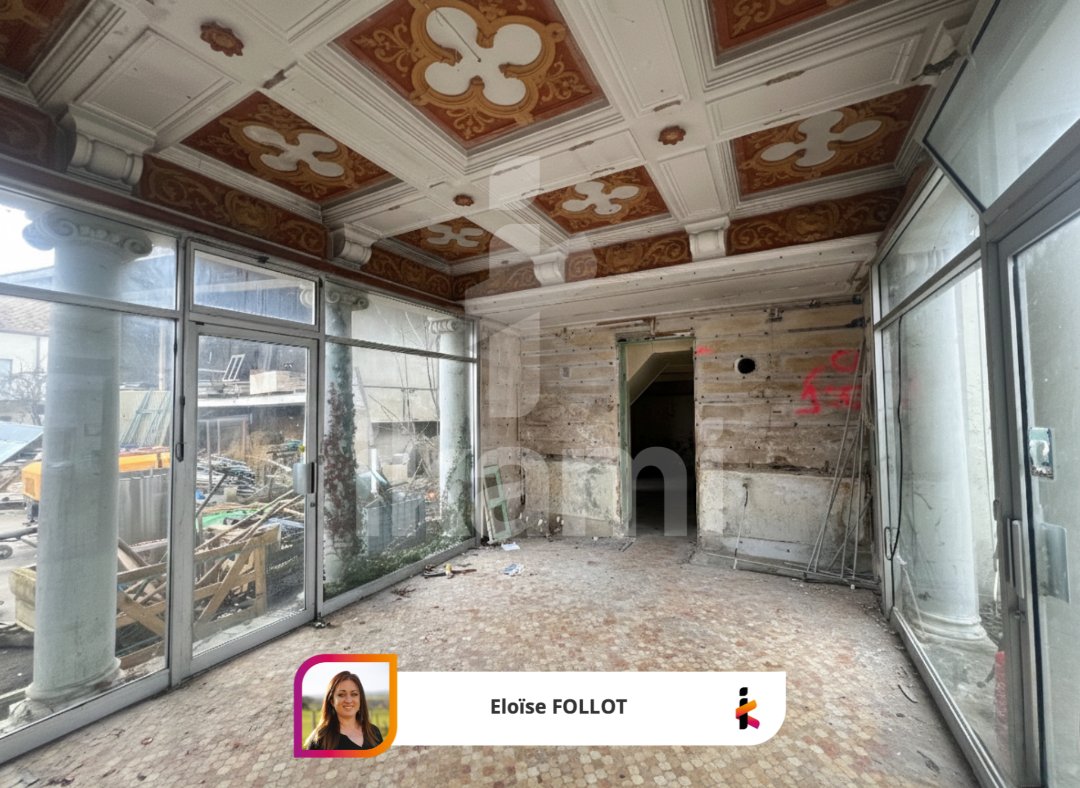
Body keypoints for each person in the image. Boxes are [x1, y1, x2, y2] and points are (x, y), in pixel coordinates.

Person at [304, 670, 384, 751]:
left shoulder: (374, 732)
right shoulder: (320, 738)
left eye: (354, 694)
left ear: (360, 699)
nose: (348, 700)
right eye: (341, 694)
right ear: (332, 701)